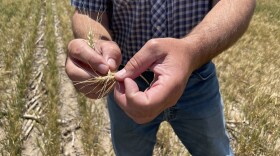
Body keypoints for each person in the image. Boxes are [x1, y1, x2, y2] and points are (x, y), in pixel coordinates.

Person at [66, 0, 256, 155]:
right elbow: (88, 10)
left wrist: (191, 51)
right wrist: (98, 46)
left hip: (197, 79)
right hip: (126, 86)